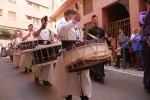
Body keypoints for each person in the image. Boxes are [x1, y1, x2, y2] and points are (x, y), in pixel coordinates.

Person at [55, 8, 91, 100]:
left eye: (75, 14)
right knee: (68, 79)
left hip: (78, 55)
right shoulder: (61, 23)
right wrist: (74, 20)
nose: (75, 16)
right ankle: (68, 96)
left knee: (83, 77)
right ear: (66, 16)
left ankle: (84, 96)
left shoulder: (77, 28)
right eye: (72, 14)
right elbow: (61, 32)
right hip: (67, 55)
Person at [33, 16, 54, 86]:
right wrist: (41, 28)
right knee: (39, 62)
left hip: (48, 47)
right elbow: (34, 35)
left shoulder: (50, 30)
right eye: (44, 20)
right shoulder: (37, 27)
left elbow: (52, 40)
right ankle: (37, 75)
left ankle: (45, 80)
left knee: (48, 63)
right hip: (40, 47)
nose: (45, 22)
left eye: (46, 21)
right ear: (41, 21)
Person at [87, 15, 105, 83]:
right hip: (94, 48)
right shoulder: (90, 29)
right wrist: (95, 40)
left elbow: (104, 39)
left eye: (96, 19)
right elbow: (88, 39)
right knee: (95, 62)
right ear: (92, 21)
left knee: (101, 61)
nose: (96, 20)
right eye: (94, 19)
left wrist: (108, 39)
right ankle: (94, 75)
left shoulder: (101, 30)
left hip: (100, 48)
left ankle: (101, 75)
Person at [139, 0, 150, 91]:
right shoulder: (143, 14)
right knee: (148, 61)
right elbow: (144, 21)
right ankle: (148, 82)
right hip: (148, 39)